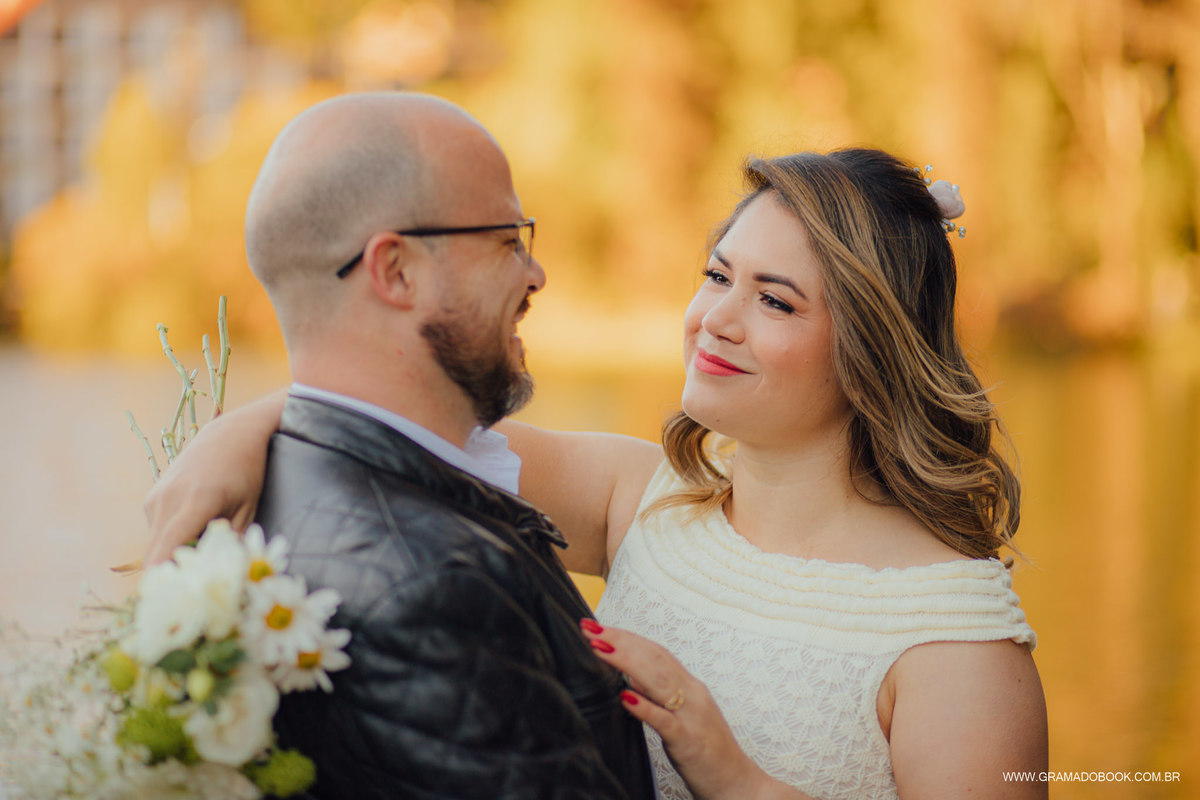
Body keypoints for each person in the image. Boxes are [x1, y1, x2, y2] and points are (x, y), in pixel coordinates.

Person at [145, 144, 1048, 799]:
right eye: (717, 275)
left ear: (872, 350)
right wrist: (240, 434)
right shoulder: (641, 498)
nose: (716, 320)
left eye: (774, 300)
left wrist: (735, 780)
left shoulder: (953, 632)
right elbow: (397, 431)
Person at [187, 91, 657, 799]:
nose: (536, 274)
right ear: (396, 270)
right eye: (507, 238)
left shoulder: (282, 476)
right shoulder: (437, 590)